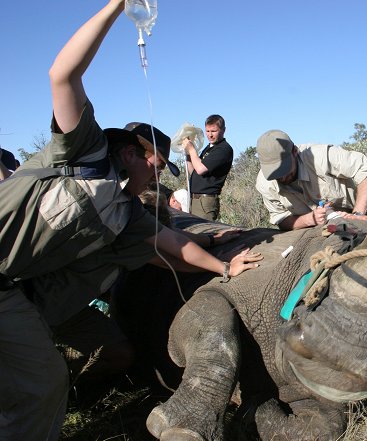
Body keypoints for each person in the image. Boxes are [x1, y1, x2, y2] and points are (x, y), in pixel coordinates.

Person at [0, 2, 261, 440]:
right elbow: (62, 75)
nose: (158, 176)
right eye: (156, 165)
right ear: (128, 153)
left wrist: (223, 266)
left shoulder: (127, 215)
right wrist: (116, 6)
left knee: (43, 386)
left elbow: (175, 249)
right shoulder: (83, 152)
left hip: (11, 293)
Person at [255, 129, 367, 231]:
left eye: (284, 169)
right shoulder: (264, 184)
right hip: (312, 231)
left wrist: (357, 216)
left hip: (353, 215)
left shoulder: (319, 156)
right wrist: (310, 219)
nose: (281, 176)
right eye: (274, 173)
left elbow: (366, 169)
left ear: (295, 152)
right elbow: (281, 219)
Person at [182, 114, 233, 221]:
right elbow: (194, 171)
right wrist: (187, 154)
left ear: (223, 130)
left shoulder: (223, 149)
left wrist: (192, 150)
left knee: (204, 233)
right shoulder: (209, 148)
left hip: (205, 202)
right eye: (208, 131)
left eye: (214, 131)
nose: (210, 135)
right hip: (194, 199)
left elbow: (200, 169)